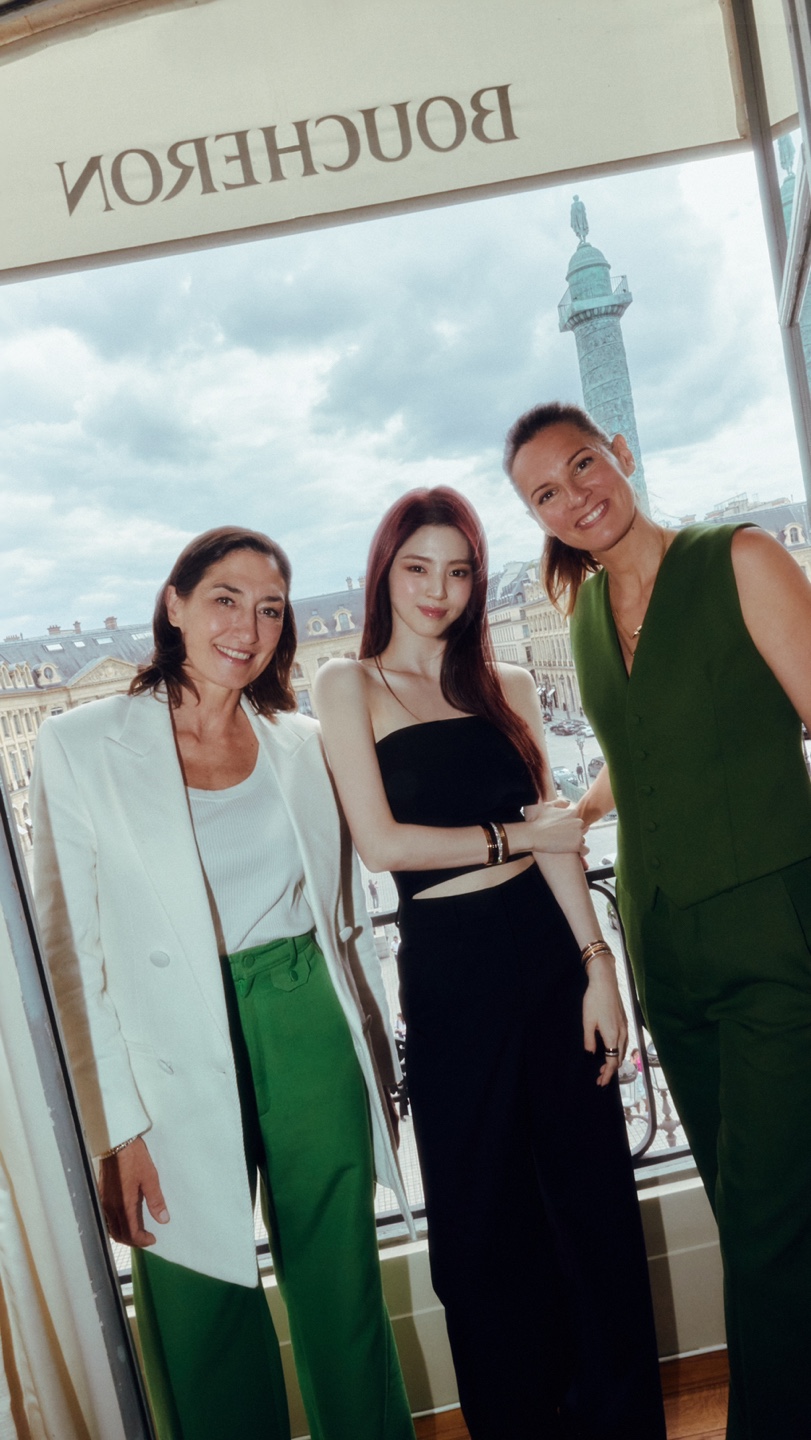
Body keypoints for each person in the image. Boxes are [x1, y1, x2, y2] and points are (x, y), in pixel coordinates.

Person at [31, 526, 416, 1440]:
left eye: (270, 610)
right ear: (175, 605)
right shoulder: (80, 743)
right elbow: (69, 952)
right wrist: (114, 1128)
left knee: (342, 1286)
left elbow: (345, 912)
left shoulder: (301, 742)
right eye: (225, 600)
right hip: (165, 1044)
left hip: (303, 1017)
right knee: (196, 1303)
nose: (247, 628)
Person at [314, 488, 665, 1440]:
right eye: (417, 567)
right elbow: (382, 845)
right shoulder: (348, 685)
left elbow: (558, 837)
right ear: (384, 573)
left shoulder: (507, 683)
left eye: (459, 570)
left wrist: (598, 964)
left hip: (549, 957)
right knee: (479, 1233)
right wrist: (513, 836)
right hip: (451, 972)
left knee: (590, 1211)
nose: (438, 589)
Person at [505, 400, 811, 1440]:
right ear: (537, 516)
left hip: (775, 935)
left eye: (583, 465)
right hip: (664, 949)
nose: (574, 496)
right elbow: (637, 753)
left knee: (770, 1226)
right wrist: (575, 813)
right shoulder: (586, 613)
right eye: (546, 493)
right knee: (745, 1207)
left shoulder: (739, 560)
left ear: (621, 454)